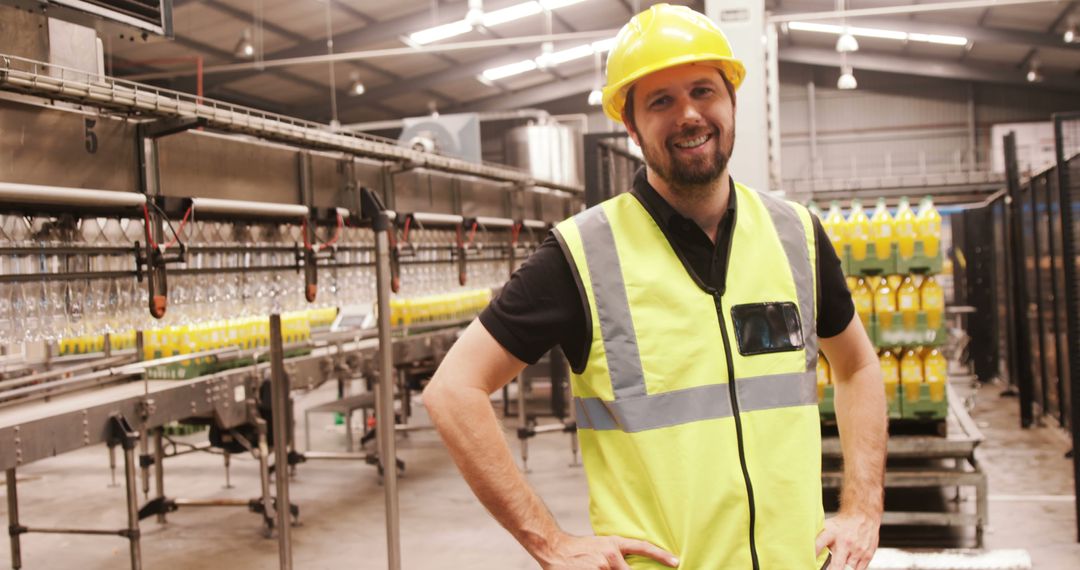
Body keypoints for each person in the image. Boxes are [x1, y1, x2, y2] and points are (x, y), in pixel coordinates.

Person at [423, 4, 887, 569]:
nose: (689, 115)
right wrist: (548, 541)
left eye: (703, 91)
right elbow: (453, 391)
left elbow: (858, 366)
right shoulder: (582, 255)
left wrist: (863, 508)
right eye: (661, 101)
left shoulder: (797, 235)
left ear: (731, 101)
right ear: (632, 125)